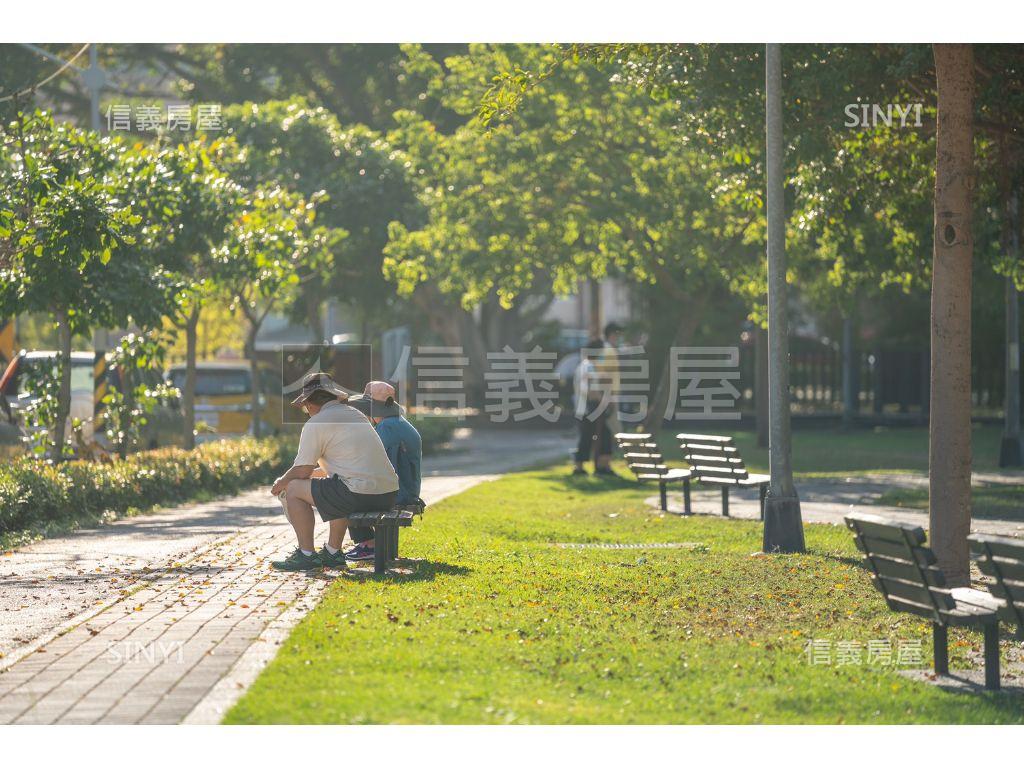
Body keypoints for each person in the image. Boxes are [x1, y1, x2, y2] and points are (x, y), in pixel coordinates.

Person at [269, 372, 399, 571]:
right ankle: (332, 552)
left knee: (294, 488)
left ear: (310, 403)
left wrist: (281, 482)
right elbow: (343, 468)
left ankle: (306, 555)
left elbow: (302, 471)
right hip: (387, 494)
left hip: (358, 494)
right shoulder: (356, 414)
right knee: (334, 485)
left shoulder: (316, 423)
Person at [344, 381, 423, 562]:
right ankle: (368, 543)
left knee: (345, 495)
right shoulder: (397, 422)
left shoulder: (387, 427)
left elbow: (367, 461)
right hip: (406, 491)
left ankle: (368, 544)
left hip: (399, 494)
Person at [572, 339, 616, 476]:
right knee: (601, 436)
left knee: (587, 438)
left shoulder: (584, 365)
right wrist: (606, 401)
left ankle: (582, 467)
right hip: (590, 410)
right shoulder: (589, 367)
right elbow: (591, 391)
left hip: (583, 409)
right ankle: (601, 467)